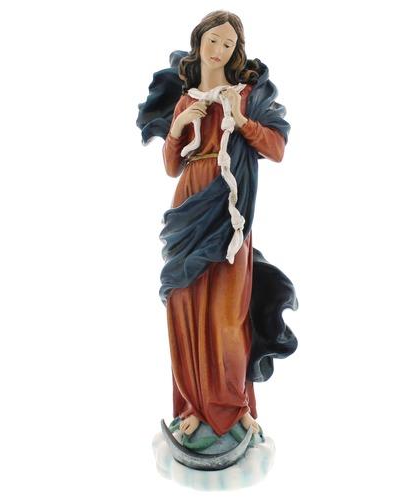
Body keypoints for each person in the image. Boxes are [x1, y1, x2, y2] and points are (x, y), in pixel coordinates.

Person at [137, 10, 298, 440]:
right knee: (185, 307)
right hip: (189, 205)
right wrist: (177, 127)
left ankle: (233, 406)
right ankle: (192, 405)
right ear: (199, 42)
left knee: (228, 313)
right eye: (213, 40)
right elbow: (172, 166)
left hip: (230, 211)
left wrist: (241, 120)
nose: (219, 49)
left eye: (228, 44)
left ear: (235, 51)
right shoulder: (186, 101)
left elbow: (276, 148)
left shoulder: (246, 95)